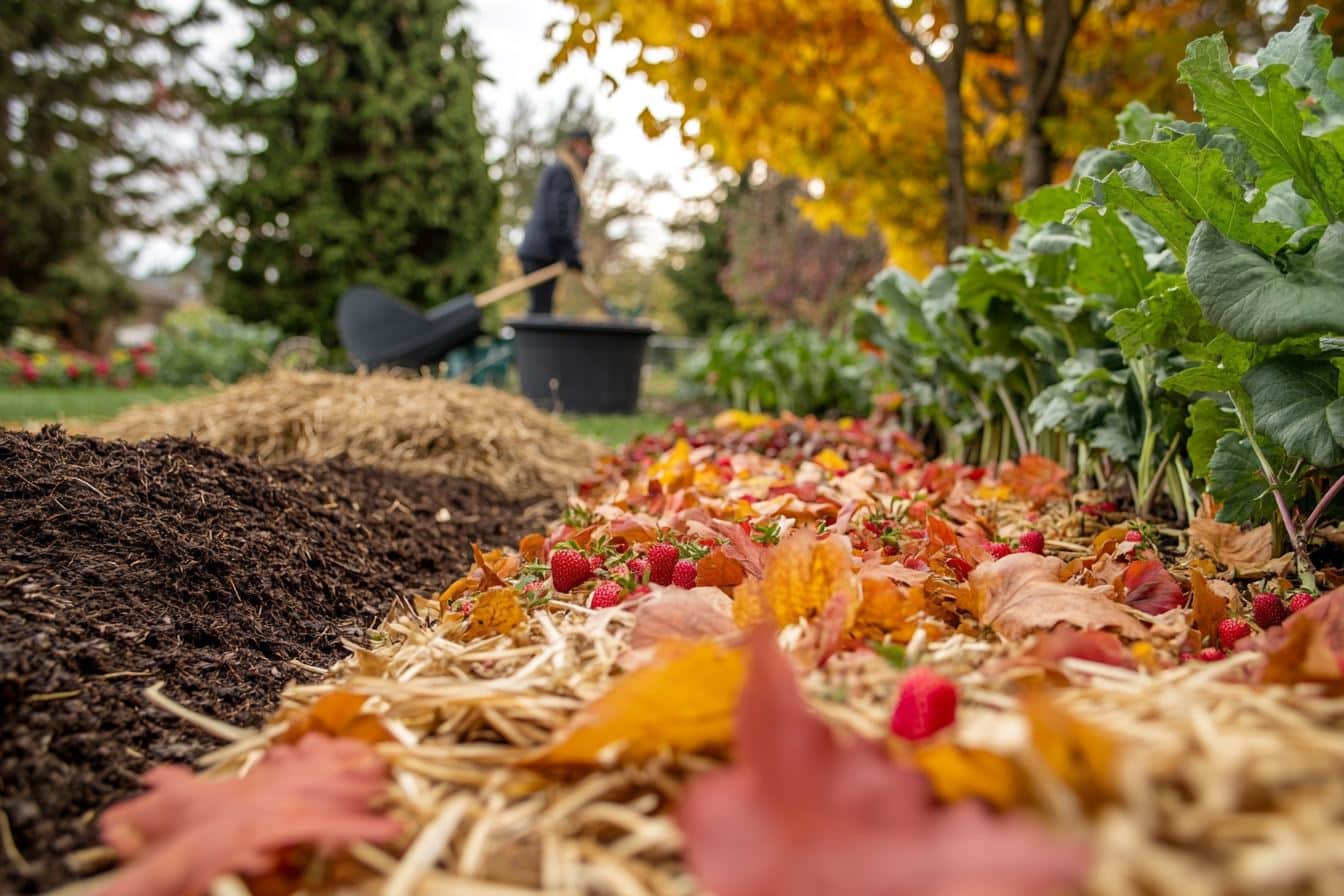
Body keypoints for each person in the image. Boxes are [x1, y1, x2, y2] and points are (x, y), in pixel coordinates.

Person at [518, 128, 593, 315]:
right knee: (540, 311)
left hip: (544, 253)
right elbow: (559, 216)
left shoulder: (560, 171)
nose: (590, 155)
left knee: (542, 309)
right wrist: (570, 250)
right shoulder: (562, 172)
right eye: (587, 148)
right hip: (541, 253)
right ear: (576, 145)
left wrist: (571, 251)